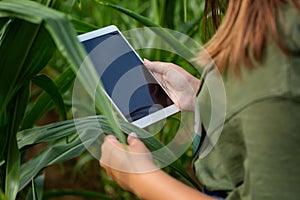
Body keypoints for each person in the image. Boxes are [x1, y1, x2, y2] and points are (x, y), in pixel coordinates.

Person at [100, 0, 300, 199]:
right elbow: (265, 109)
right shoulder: (276, 22)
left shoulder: (280, 63)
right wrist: (200, 96)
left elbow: (273, 98)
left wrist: (140, 178)